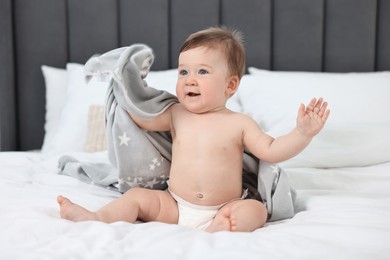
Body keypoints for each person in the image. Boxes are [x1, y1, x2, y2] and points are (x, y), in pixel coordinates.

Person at [57, 26, 330, 232]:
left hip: (224, 207)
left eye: (202, 72)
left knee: (255, 210)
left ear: (230, 85)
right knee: (136, 198)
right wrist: (124, 86)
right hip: (175, 205)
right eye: (183, 72)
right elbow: (142, 118)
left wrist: (302, 133)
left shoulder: (240, 123)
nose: (189, 80)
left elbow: (272, 151)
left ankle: (221, 228)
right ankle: (97, 218)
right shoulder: (177, 113)